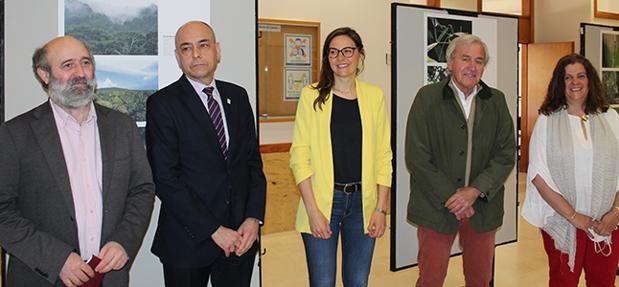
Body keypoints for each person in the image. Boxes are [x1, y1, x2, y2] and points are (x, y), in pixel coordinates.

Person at [0, 36, 155, 287]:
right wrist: (57, 260)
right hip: (42, 277)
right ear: (44, 74)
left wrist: (123, 242)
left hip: (109, 276)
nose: (80, 73)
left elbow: (141, 190)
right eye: (68, 65)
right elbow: (2, 211)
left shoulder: (122, 126)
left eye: (85, 62)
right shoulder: (14, 134)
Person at [146, 21, 266, 287]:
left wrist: (253, 218)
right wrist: (213, 230)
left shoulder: (238, 95)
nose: (196, 54)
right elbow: (166, 178)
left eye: (203, 45)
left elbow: (252, 164)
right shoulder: (162, 104)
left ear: (217, 50)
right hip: (188, 241)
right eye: (186, 48)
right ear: (178, 57)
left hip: (239, 239)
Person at [405, 34, 516, 287]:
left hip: (482, 206)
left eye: (479, 61)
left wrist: (474, 191)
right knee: (431, 278)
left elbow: (507, 152)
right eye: (465, 58)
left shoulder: (495, 100)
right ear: (450, 63)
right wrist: (454, 197)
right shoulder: (428, 97)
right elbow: (417, 156)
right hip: (436, 205)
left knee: (480, 279)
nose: (472, 66)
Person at [289, 27, 392, 287]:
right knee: (323, 282)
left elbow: (383, 155)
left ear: (359, 55)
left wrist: (381, 208)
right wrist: (312, 211)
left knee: (357, 281)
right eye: (333, 52)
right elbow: (299, 156)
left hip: (363, 204)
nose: (340, 57)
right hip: (323, 201)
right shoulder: (311, 95)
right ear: (327, 58)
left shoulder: (374, 96)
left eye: (348, 50)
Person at [522, 53, 619, 286]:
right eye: (567, 77)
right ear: (559, 83)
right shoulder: (547, 121)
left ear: (590, 80)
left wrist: (614, 213)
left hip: (607, 222)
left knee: (603, 282)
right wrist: (574, 217)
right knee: (563, 282)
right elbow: (538, 176)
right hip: (563, 222)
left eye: (580, 76)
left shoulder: (611, 118)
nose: (575, 82)